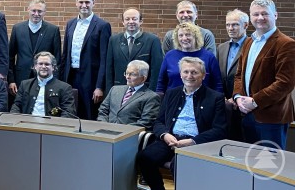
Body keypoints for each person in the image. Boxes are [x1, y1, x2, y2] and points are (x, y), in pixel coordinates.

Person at [137, 57, 227, 190]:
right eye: (185, 72)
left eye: (194, 72)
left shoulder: (215, 98)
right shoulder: (171, 93)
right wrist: (165, 135)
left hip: (197, 143)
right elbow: (159, 122)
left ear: (203, 75)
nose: (189, 76)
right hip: (170, 139)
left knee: (179, 164)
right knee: (144, 157)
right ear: (180, 74)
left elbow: (219, 130)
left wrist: (192, 141)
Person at [233, 0, 295, 149]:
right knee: (250, 164)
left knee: (270, 167)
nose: (260, 18)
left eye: (264, 14)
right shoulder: (249, 41)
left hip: (271, 117)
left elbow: (284, 83)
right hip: (247, 114)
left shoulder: (286, 44)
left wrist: (255, 101)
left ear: (275, 15)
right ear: (250, 17)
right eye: (256, 14)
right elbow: (239, 74)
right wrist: (238, 97)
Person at [59, 0, 112, 120]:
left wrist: (99, 86)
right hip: (71, 76)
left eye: (87, 2)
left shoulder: (102, 25)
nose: (84, 5)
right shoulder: (70, 24)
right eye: (81, 2)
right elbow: (65, 54)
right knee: (70, 112)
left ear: (93, 3)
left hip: (90, 78)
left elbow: (105, 58)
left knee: (88, 114)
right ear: (76, 3)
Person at [8, 0, 61, 99]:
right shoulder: (17, 29)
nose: (36, 14)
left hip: (45, 78)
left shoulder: (53, 30)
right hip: (21, 78)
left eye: (40, 11)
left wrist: (55, 82)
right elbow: (10, 57)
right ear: (28, 10)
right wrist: (11, 80)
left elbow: (57, 59)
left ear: (44, 12)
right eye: (34, 10)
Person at [104, 8, 164, 92]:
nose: (131, 22)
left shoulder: (152, 40)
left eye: (134, 19)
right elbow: (109, 69)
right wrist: (109, 92)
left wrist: (151, 93)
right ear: (123, 22)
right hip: (119, 89)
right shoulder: (114, 40)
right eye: (127, 19)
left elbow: (156, 70)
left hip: (143, 91)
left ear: (141, 21)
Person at [156, 22, 222, 94]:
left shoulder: (209, 57)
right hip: (173, 101)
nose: (184, 38)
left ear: (195, 37)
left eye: (188, 35)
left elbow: (217, 84)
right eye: (181, 35)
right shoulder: (169, 56)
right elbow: (161, 83)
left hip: (203, 101)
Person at [97, 60, 161, 130]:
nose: (127, 77)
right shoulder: (114, 90)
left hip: (128, 135)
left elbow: (146, 122)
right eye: (126, 73)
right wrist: (104, 124)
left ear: (143, 78)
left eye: (132, 74)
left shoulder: (151, 97)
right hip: (106, 131)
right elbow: (103, 110)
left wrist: (121, 129)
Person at [10, 52, 75, 118]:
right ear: (35, 66)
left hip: (52, 125)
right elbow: (17, 106)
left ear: (53, 67)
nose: (43, 67)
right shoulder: (25, 85)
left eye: (47, 64)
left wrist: (55, 123)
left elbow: (68, 111)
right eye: (40, 64)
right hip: (26, 123)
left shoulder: (65, 88)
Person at [218, 9, 249, 141]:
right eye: (228, 25)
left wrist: (236, 97)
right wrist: (223, 98)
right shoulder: (221, 48)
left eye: (235, 24)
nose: (230, 28)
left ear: (246, 25)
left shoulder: (252, 45)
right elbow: (219, 77)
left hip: (244, 105)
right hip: (224, 105)